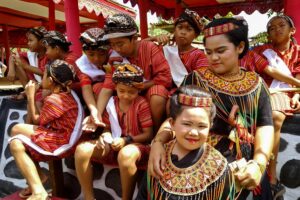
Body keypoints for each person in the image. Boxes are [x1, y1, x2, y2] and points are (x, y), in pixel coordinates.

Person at [148, 17, 274, 199]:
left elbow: (265, 125)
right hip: (201, 156)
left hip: (247, 158)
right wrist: (158, 142)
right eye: (208, 52)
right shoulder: (196, 79)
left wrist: (259, 164)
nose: (213, 58)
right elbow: (175, 119)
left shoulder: (257, 84)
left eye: (221, 51)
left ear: (239, 47)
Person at [137, 85, 240, 200]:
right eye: (187, 124)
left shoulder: (218, 168)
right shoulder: (159, 156)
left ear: (210, 127)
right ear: (172, 123)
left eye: (201, 126)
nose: (194, 133)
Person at [75, 63, 153, 200]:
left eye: (131, 92)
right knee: (82, 150)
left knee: (126, 153)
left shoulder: (141, 104)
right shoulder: (112, 103)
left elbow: (148, 134)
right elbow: (107, 128)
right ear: (115, 88)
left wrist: (126, 140)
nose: (126, 96)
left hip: (137, 147)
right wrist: (105, 136)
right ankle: (88, 197)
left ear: (139, 90)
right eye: (121, 91)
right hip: (113, 144)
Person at [8, 59, 80, 200]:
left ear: (51, 80)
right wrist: (38, 102)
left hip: (62, 140)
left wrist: (30, 96)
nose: (42, 79)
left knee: (16, 128)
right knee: (16, 143)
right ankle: (38, 188)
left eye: (44, 76)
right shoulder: (62, 94)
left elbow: (36, 120)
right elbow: (41, 119)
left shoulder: (55, 99)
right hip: (62, 136)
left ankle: (39, 182)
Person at [93, 13, 172, 133]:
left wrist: (141, 86)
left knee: (157, 93)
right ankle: (110, 131)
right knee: (98, 88)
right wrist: (96, 114)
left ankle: (155, 134)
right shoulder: (115, 57)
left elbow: (165, 77)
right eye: (112, 45)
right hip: (126, 95)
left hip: (147, 94)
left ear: (134, 38)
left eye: (120, 44)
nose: (117, 49)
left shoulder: (149, 48)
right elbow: (108, 86)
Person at [252, 14, 300, 199]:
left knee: (277, 114)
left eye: (281, 25)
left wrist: (297, 94)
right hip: (267, 92)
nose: (276, 29)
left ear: (292, 31)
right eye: (271, 28)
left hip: (289, 92)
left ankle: (270, 175)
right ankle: (266, 173)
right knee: (271, 114)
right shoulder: (262, 51)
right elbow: (267, 72)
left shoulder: (298, 51)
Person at [76, 28, 110, 127]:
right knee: (97, 87)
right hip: (96, 96)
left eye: (101, 54)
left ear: (108, 50)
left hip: (120, 92)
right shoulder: (82, 65)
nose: (96, 58)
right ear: (85, 52)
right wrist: (94, 110)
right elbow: (86, 87)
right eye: (91, 54)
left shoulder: (115, 58)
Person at [7, 26, 48, 99]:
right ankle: (27, 92)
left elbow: (45, 72)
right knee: (17, 62)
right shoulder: (33, 55)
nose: (28, 43)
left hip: (47, 88)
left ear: (42, 42)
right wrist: (11, 70)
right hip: (35, 85)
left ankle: (28, 94)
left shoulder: (49, 55)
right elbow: (13, 55)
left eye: (31, 40)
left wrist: (25, 66)